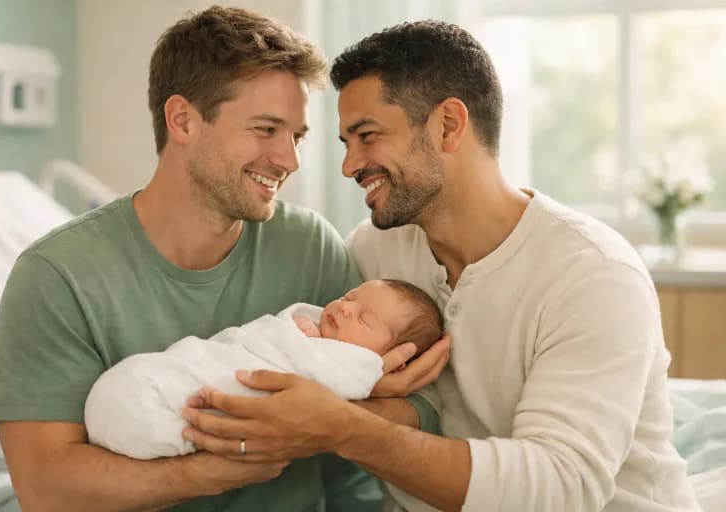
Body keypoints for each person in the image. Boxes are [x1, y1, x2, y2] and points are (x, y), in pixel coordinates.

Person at [179, 20, 702, 512]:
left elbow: (561, 484)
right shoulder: (372, 253)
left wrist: (347, 430)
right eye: (345, 142)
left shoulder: (593, 275)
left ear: (449, 125)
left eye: (367, 135)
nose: (350, 165)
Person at [0, 7, 446, 511]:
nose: (289, 160)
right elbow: (47, 489)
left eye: (296, 136)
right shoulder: (57, 277)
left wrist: (359, 417)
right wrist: (228, 463)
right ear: (183, 119)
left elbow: (414, 412)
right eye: (266, 129)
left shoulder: (307, 245)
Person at [85, 279, 444, 460]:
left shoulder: (349, 368)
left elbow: (342, 385)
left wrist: (367, 377)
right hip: (202, 360)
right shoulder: (305, 325)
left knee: (172, 405)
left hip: (212, 389)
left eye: (364, 319)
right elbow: (250, 341)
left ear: (391, 358)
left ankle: (142, 419)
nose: (346, 309)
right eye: (350, 297)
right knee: (155, 376)